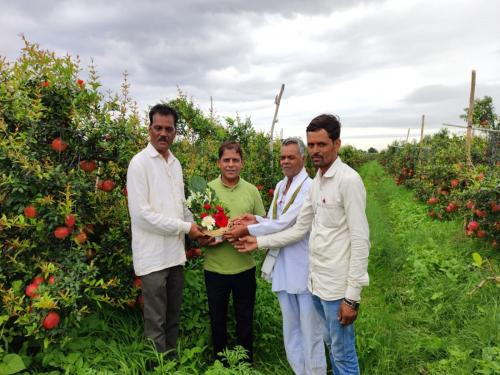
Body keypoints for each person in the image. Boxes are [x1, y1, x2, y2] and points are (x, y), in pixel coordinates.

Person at [236, 114, 370, 375]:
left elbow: (360, 239)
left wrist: (352, 298)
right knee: (331, 344)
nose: (316, 150)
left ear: (337, 144)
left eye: (322, 144)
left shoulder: (348, 181)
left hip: (336, 286)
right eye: (312, 144)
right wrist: (259, 239)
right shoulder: (317, 184)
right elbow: (298, 228)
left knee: (342, 353)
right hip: (316, 282)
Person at [225, 137, 327, 375]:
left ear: (302, 158)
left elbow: (285, 223)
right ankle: (299, 370)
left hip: (302, 265)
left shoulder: (309, 187)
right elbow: (273, 219)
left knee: (309, 329)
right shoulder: (282, 185)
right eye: (282, 157)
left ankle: (316, 371)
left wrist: (248, 230)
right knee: (290, 327)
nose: (285, 161)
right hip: (283, 264)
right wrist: (255, 219)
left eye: (291, 156)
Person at [127, 104, 207, 355]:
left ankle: (171, 360)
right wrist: (186, 227)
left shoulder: (175, 164)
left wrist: (200, 227)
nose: (163, 133)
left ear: (175, 132)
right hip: (152, 257)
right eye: (158, 128)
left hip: (174, 254)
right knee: (155, 321)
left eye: (168, 129)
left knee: (173, 314)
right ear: (149, 129)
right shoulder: (139, 164)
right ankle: (156, 365)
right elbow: (142, 216)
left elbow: (180, 205)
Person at [204, 140, 266, 363]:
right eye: (226, 160)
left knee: (245, 318)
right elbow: (201, 228)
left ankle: (245, 362)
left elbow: (263, 225)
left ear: (242, 163)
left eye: (235, 160)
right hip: (215, 269)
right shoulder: (207, 190)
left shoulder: (251, 191)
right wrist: (214, 236)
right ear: (219, 163)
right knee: (217, 319)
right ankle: (220, 362)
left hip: (244, 268)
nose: (231, 164)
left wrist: (243, 232)